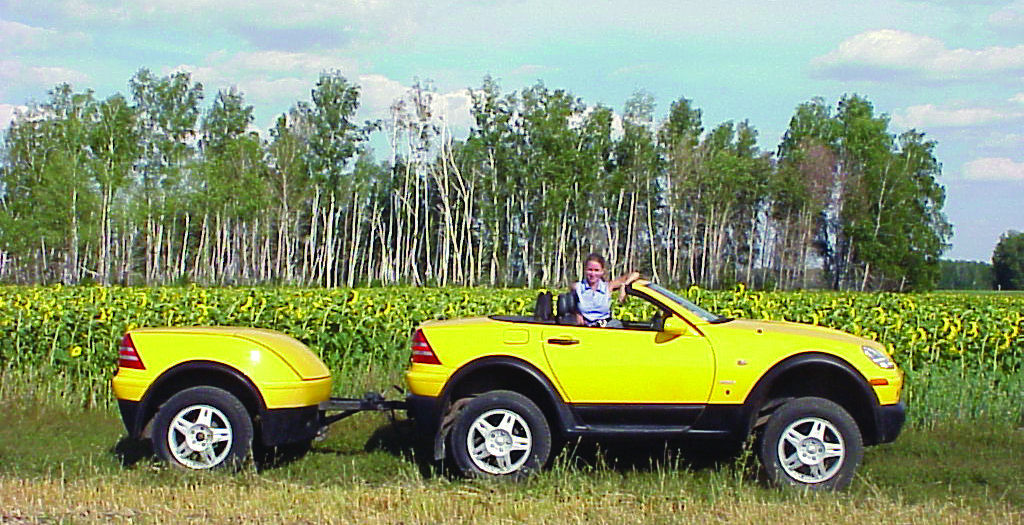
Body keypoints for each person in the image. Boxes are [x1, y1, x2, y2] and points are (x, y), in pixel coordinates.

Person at [569, 253, 640, 327]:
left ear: (602, 271)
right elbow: (570, 306)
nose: (593, 274)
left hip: (607, 327)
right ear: (585, 270)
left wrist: (624, 285)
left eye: (597, 270)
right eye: (590, 270)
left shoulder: (608, 286)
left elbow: (636, 274)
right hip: (585, 329)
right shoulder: (577, 287)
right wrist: (577, 314)